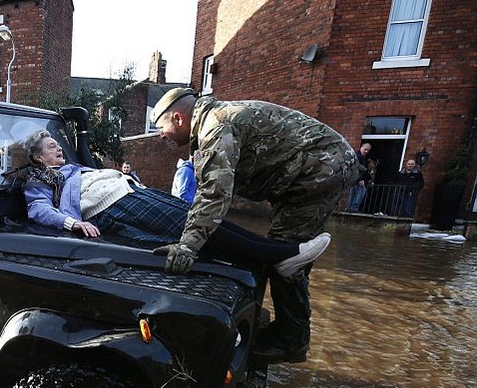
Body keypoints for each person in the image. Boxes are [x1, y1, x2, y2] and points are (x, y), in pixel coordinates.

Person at [151, 87, 359, 364]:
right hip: (311, 169)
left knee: (287, 259)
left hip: (320, 169)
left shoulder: (216, 127)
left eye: (160, 127)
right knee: (279, 251)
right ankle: (280, 328)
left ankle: (290, 341)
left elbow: (214, 193)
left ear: (178, 118)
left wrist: (188, 246)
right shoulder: (213, 121)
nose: (160, 135)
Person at [22, 130, 330, 278]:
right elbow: (37, 209)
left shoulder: (71, 168)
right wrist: (72, 223)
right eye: (51, 147)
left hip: (131, 192)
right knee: (190, 227)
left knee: (202, 218)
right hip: (113, 205)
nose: (59, 148)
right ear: (38, 158)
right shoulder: (41, 176)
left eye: (58, 143)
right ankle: (282, 255)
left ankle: (274, 256)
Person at [345, 142, 375, 213]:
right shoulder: (358, 157)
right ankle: (354, 208)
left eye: (368, 150)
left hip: (354, 179)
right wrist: (361, 179)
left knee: (353, 193)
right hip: (357, 179)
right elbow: (357, 168)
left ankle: (349, 208)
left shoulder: (361, 157)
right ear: (361, 148)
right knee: (360, 192)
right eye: (365, 149)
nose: (366, 151)